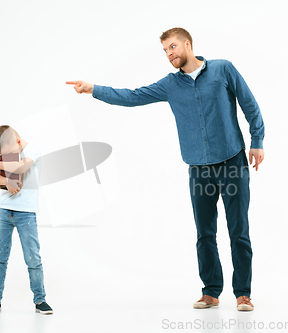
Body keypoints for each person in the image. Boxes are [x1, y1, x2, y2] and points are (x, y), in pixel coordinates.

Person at [66, 27, 264, 311]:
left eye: (172, 47)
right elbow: (132, 96)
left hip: (232, 162)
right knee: (204, 233)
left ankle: (243, 293)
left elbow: (250, 106)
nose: (169, 54)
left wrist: (257, 140)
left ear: (187, 43)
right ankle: (211, 291)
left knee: (238, 231)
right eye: (165, 51)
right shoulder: (171, 85)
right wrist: (93, 89)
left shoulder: (223, 69)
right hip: (199, 168)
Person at [0, 125, 53, 314]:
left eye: (8, 154)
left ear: (18, 142)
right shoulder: (9, 150)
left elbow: (21, 166)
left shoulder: (32, 149)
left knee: (33, 258)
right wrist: (6, 181)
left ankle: (40, 300)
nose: (6, 157)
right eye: (2, 156)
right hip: (3, 210)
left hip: (25, 212)